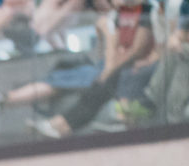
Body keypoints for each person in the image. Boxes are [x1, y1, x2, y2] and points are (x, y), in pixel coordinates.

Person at [30, 0, 157, 138]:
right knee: (96, 84)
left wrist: (113, 66)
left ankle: (63, 125)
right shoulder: (120, 14)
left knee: (103, 85)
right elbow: (108, 50)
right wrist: (105, 36)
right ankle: (61, 124)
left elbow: (137, 49)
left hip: (136, 66)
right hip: (119, 65)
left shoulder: (146, 11)